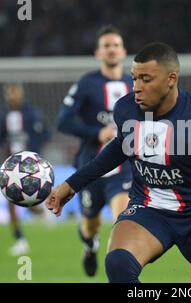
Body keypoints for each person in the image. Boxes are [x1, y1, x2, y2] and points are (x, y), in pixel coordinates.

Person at [47, 42, 191, 283]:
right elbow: (117, 150)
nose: (137, 88)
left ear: (171, 79)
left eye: (146, 79)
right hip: (149, 209)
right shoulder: (126, 109)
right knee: (118, 263)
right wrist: (70, 185)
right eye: (134, 79)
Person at [57, 25, 133, 277]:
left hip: (123, 168)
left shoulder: (134, 84)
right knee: (90, 225)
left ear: (123, 51)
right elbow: (63, 121)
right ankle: (90, 246)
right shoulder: (86, 84)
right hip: (90, 167)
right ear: (97, 53)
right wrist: (96, 133)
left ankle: (121, 273)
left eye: (115, 45)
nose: (111, 50)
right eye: (106, 46)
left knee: (122, 218)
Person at [0, 83, 50, 256]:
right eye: (10, 94)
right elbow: (0, 136)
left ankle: (41, 211)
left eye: (16, 93)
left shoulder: (32, 113)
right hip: (11, 166)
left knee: (30, 203)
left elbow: (46, 134)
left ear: (21, 94)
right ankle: (20, 240)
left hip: (30, 167)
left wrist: (34, 154)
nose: (13, 97)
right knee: (10, 201)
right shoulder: (4, 115)